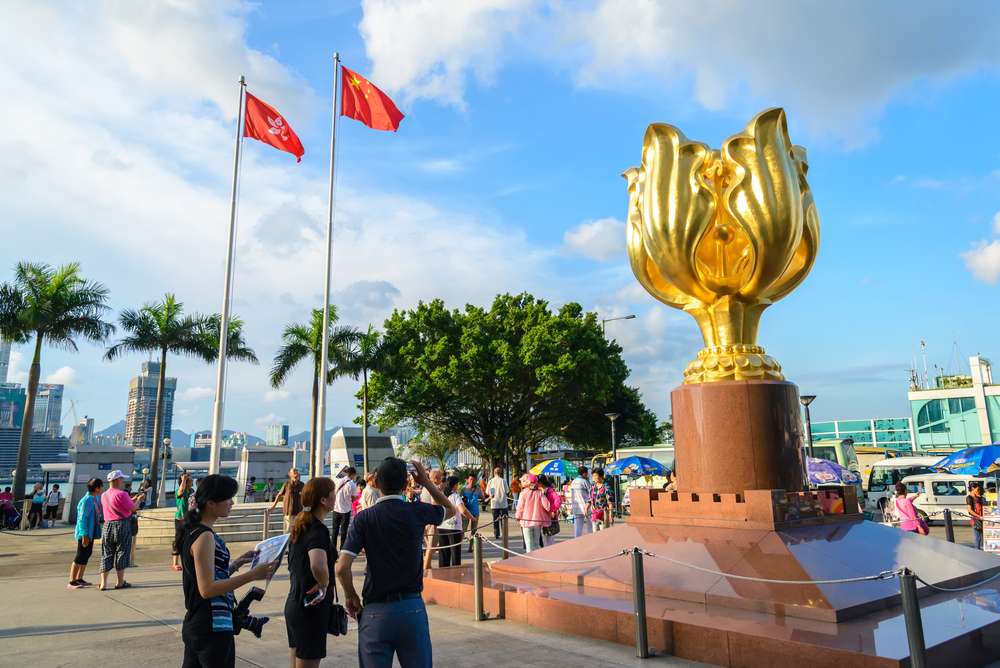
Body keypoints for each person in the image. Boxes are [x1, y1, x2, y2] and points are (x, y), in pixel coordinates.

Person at [336, 458, 455, 667]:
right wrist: (426, 482)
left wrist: (351, 595)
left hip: (375, 611)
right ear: (405, 484)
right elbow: (450, 509)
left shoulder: (364, 518)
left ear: (377, 483)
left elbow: (342, 567)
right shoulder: (417, 511)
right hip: (411, 608)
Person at [181, 474, 275, 668]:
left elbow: (210, 573)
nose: (232, 502)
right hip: (212, 625)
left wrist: (239, 562)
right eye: (228, 498)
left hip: (198, 622)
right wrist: (252, 575)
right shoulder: (205, 536)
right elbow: (207, 588)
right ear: (211, 503)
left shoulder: (195, 530)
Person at [285, 476, 337, 668]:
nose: (335, 496)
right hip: (311, 607)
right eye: (333, 493)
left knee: (296, 660)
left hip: (295, 603)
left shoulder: (301, 526)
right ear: (323, 500)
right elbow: (317, 564)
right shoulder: (317, 530)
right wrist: (324, 584)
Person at [99, 470, 145, 590]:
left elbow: (118, 505)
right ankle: (120, 582)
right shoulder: (122, 494)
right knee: (122, 552)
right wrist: (139, 500)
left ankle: (103, 583)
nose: (123, 482)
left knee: (107, 553)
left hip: (107, 525)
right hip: (121, 524)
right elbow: (133, 509)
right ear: (117, 480)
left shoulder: (104, 495)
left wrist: (133, 499)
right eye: (122, 479)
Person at [69, 478, 103, 589]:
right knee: (80, 555)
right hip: (85, 532)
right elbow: (82, 518)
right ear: (97, 488)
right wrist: (84, 534)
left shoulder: (94, 498)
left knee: (87, 554)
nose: (102, 489)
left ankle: (79, 578)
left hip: (91, 531)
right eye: (101, 486)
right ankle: (71, 581)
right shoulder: (87, 500)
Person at [438, 476, 473, 567]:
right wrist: (472, 518)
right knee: (455, 554)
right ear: (455, 485)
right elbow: (463, 510)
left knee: (443, 555)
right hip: (454, 528)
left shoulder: (441, 495)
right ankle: (455, 575)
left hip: (441, 526)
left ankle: (442, 576)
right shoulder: (455, 496)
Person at [515, 473, 551, 552]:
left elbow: (520, 507)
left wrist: (518, 516)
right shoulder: (539, 493)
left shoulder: (523, 493)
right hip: (537, 522)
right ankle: (536, 560)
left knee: (529, 545)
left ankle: (530, 561)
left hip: (526, 522)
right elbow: (547, 506)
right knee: (536, 543)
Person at [420, 469, 445, 571]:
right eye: (440, 477)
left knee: (430, 545)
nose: (441, 479)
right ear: (436, 478)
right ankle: (426, 566)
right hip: (432, 520)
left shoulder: (425, 487)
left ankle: (427, 563)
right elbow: (435, 503)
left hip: (425, 520)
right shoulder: (433, 488)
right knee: (432, 545)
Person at [269, 468, 304, 534]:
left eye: (297, 473)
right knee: (287, 532)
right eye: (294, 472)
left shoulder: (302, 485)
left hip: (299, 512)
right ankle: (287, 544)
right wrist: (273, 506)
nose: (296, 474)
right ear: (290, 474)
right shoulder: (287, 484)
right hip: (288, 512)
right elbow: (279, 495)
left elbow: (306, 496)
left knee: (298, 532)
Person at [331, 468, 358, 553]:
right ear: (353, 475)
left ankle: (332, 549)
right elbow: (354, 498)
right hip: (346, 510)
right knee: (344, 531)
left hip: (336, 509)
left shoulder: (338, 481)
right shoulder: (352, 485)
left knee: (335, 530)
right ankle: (342, 549)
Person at [172, 473, 194, 571]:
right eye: (190, 479)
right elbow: (180, 492)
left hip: (190, 518)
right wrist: (184, 480)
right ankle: (175, 562)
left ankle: (187, 560)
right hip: (180, 519)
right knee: (178, 540)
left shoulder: (192, 491)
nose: (192, 480)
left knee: (189, 539)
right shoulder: (179, 490)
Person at [484, 467, 510, 539]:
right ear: (500, 472)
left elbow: (486, 492)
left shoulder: (490, 481)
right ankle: (504, 533)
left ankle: (496, 533)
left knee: (495, 520)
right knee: (504, 520)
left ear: (494, 473)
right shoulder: (503, 481)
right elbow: (507, 491)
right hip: (503, 504)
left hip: (494, 504)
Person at [539, 475, 563, 547]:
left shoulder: (549, 491)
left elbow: (558, 500)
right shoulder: (541, 490)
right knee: (545, 535)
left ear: (541, 483)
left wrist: (552, 509)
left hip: (549, 516)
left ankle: (550, 550)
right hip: (543, 516)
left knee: (549, 536)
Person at [569, 467, 592, 537]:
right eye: (587, 473)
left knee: (577, 527)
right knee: (590, 525)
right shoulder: (584, 481)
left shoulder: (573, 482)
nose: (588, 475)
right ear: (584, 473)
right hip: (586, 507)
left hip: (576, 506)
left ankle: (577, 540)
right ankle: (592, 539)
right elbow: (591, 493)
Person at [461, 475, 482, 552]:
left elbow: (482, 498)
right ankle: (457, 546)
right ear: (468, 480)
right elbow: (459, 499)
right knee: (463, 530)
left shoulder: (478, 489)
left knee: (473, 531)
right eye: (471, 479)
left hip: (475, 512)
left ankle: (470, 547)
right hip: (466, 512)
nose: (472, 481)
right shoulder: (463, 489)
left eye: (474, 479)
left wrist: (490, 497)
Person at [968, 481, 986, 550]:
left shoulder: (979, 497)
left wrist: (981, 497)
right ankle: (977, 551)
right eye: (977, 489)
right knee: (977, 538)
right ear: (973, 488)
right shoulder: (969, 498)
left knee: (983, 538)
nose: (978, 491)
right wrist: (979, 516)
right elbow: (970, 510)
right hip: (976, 520)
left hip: (982, 519)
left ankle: (982, 550)